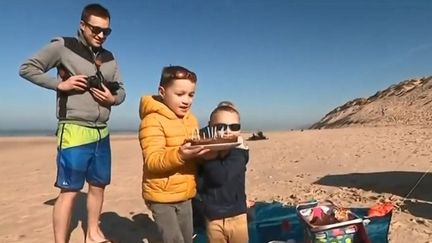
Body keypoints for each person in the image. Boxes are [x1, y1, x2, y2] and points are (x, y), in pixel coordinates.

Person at [19, 4, 125, 243]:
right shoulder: (63, 46)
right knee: (69, 190)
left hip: (102, 132)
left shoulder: (110, 58)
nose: (101, 35)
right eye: (96, 29)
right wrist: (60, 85)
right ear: (82, 25)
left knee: (98, 186)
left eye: (106, 31)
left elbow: (122, 91)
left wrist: (113, 98)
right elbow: (27, 68)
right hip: (74, 129)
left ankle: (93, 235)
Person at [138, 65, 208, 243]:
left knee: (187, 238)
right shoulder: (152, 120)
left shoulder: (191, 119)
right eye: (180, 94)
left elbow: (194, 157)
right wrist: (180, 155)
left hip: (185, 193)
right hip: (161, 196)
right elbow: (152, 161)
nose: (186, 100)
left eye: (191, 94)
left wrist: (204, 153)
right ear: (162, 91)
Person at [198, 103, 249, 243]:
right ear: (210, 127)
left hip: (236, 216)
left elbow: (220, 178)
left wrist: (210, 159)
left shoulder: (239, 153)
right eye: (220, 127)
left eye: (234, 127)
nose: (227, 131)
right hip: (212, 217)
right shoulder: (206, 149)